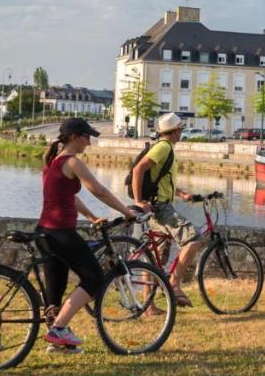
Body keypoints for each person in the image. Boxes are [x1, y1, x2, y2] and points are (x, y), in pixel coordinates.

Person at [37, 117, 138, 353]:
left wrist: (92, 217)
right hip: (61, 232)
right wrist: (127, 212)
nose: (89, 143)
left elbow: (67, 196)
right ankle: (59, 329)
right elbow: (100, 191)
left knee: (56, 290)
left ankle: (58, 341)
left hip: (45, 231)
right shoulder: (72, 162)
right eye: (87, 137)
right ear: (74, 137)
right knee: (94, 278)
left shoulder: (52, 162)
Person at [131, 113, 203, 307]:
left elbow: (161, 179)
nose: (182, 133)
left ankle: (148, 305)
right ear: (176, 131)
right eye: (181, 129)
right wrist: (138, 200)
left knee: (155, 258)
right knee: (194, 239)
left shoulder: (164, 147)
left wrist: (181, 194)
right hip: (161, 208)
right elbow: (139, 169)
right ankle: (174, 283)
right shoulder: (163, 147)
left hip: (160, 205)